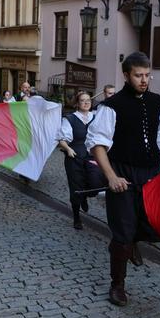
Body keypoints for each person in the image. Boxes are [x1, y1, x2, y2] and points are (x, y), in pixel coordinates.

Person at [86, 52, 160, 307]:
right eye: (138, 75)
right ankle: (118, 284)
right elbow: (96, 144)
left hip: (151, 172)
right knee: (122, 232)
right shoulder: (112, 106)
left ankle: (134, 241)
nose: (144, 80)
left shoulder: (159, 102)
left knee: (156, 227)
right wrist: (111, 177)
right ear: (126, 75)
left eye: (147, 75)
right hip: (122, 172)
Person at [58, 91, 104, 230]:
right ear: (77, 104)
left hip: (92, 156)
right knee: (76, 188)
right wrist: (68, 149)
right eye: (83, 101)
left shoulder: (96, 117)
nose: (86, 103)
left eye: (88, 100)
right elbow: (62, 139)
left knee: (96, 182)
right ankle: (77, 217)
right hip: (74, 157)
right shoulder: (70, 118)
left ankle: (86, 196)